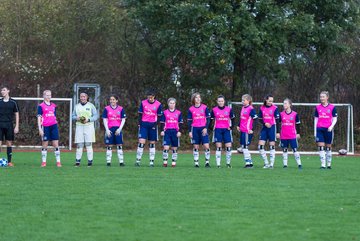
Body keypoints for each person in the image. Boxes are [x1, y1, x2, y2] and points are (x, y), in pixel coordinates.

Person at [135, 89, 163, 167]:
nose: (150, 98)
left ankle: (151, 161)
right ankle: (138, 160)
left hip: (153, 125)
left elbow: (160, 117)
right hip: (144, 125)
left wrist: (156, 125)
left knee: (152, 143)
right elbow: (140, 114)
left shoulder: (158, 104)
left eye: (151, 97)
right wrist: (139, 123)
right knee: (141, 142)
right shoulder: (143, 103)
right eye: (148, 97)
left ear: (154, 97)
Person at [72, 92, 98, 167]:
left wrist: (88, 119)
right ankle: (77, 162)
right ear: (79, 97)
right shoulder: (77, 106)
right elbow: (72, 116)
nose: (82, 98)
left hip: (89, 127)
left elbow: (96, 116)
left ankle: (90, 162)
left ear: (87, 97)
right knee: (79, 145)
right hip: (79, 127)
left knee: (88, 144)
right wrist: (77, 118)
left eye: (84, 96)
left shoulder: (91, 106)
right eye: (81, 96)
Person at [37, 90, 62, 167]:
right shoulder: (40, 106)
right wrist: (40, 128)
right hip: (45, 126)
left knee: (55, 144)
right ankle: (44, 162)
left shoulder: (53, 105)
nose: (49, 97)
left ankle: (58, 162)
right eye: (47, 95)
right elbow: (39, 118)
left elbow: (54, 116)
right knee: (45, 144)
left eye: (50, 95)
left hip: (54, 126)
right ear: (44, 96)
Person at [276, 98, 302, 169]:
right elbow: (278, 124)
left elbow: (298, 124)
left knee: (295, 150)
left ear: (290, 104)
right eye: (283, 103)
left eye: (285, 103)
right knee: (284, 150)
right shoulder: (281, 114)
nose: (284, 105)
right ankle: (285, 165)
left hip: (292, 135)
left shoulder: (295, 114)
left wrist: (298, 133)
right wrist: (278, 132)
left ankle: (299, 164)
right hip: (284, 135)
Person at [314, 91, 337, 169]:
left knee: (328, 147)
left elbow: (335, 119)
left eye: (323, 97)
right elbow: (316, 119)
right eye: (320, 97)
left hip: (328, 129)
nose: (322, 98)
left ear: (327, 97)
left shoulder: (332, 107)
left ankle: (329, 164)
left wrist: (331, 126)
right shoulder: (317, 107)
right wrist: (315, 130)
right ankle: (323, 165)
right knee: (321, 147)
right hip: (320, 129)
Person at [188, 92, 211, 168]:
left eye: (199, 97)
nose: (198, 99)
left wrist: (206, 128)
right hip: (195, 129)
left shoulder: (204, 107)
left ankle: (207, 162)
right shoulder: (191, 109)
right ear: (193, 99)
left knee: (206, 146)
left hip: (203, 128)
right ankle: (196, 163)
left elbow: (208, 119)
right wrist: (190, 131)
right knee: (196, 146)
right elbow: (189, 121)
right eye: (196, 97)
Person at [211, 95, 235, 168]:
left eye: (222, 101)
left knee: (228, 147)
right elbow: (211, 120)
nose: (220, 102)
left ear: (224, 101)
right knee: (218, 147)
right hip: (218, 130)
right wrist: (211, 127)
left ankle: (228, 163)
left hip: (226, 130)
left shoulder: (229, 109)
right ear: (217, 102)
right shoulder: (214, 110)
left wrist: (231, 127)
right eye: (219, 101)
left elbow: (233, 119)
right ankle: (218, 164)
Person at [102, 94, 126, 167]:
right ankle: (108, 162)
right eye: (110, 99)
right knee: (109, 145)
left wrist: (119, 129)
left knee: (119, 145)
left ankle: (121, 162)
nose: (112, 101)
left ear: (116, 100)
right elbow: (105, 119)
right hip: (110, 129)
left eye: (113, 99)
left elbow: (123, 120)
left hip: (118, 129)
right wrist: (107, 130)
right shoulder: (106, 109)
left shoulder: (121, 109)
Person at [258, 94, 280, 168]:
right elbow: (259, 119)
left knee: (272, 146)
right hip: (264, 128)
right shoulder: (262, 108)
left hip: (272, 128)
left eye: (272, 101)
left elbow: (278, 120)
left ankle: (271, 164)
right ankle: (266, 163)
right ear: (266, 100)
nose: (271, 102)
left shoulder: (275, 108)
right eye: (269, 100)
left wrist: (278, 132)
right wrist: (265, 123)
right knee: (260, 146)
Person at [160, 97, 183, 167]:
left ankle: (173, 163)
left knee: (174, 148)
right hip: (167, 131)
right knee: (166, 147)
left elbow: (180, 123)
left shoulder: (178, 113)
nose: (172, 104)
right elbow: (162, 122)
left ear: (175, 104)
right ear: (168, 104)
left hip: (175, 132)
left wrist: (179, 131)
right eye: (170, 103)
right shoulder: (164, 112)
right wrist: (162, 130)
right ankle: (165, 161)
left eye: (173, 103)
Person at [0, 86, 19, 167]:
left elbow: (17, 114)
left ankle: (9, 162)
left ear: (8, 91)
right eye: (1, 90)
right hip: (0, 124)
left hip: (9, 125)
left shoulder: (13, 102)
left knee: (9, 143)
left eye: (4, 90)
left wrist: (17, 126)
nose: (2, 91)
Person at [237, 94, 258, 168]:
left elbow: (256, 120)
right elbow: (242, 118)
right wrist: (238, 125)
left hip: (247, 131)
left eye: (244, 100)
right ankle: (249, 162)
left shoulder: (251, 109)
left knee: (245, 147)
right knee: (244, 146)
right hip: (242, 130)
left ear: (248, 101)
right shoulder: (243, 108)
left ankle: (249, 163)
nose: (242, 101)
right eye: (242, 100)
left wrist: (252, 129)